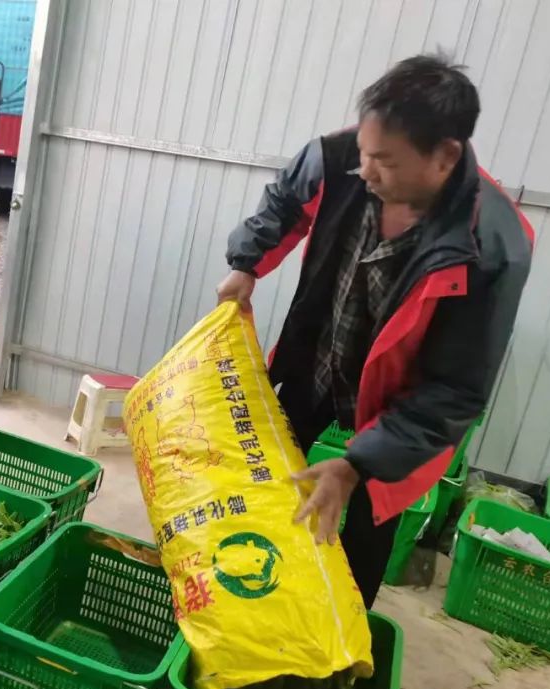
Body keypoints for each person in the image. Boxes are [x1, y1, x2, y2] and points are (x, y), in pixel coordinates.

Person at [216, 54, 533, 607]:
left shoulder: (492, 248)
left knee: (362, 522)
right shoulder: (342, 157)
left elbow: (453, 391)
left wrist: (360, 462)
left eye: (383, 162)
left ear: (445, 157)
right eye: (364, 154)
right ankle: (248, 597)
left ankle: (343, 632)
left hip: (393, 402)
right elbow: (286, 200)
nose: (365, 172)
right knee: (263, 472)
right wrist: (247, 263)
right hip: (318, 355)